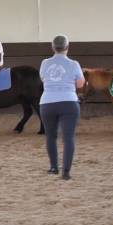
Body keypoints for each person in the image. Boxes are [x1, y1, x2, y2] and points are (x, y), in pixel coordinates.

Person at [39, 34, 85, 180]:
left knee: (51, 136)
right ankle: (66, 172)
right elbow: (80, 84)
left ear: (53, 47)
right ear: (67, 47)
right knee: (68, 137)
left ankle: (53, 167)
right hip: (69, 102)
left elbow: (43, 78)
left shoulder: (45, 63)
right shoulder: (74, 64)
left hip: (47, 102)